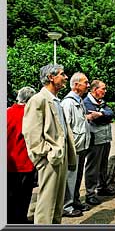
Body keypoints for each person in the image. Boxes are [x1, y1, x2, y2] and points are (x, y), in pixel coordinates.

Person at [22, 64, 77, 224]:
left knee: (57, 205)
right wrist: (46, 154)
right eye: (62, 74)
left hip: (59, 158)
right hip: (50, 159)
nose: (66, 77)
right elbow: (31, 134)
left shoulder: (55, 100)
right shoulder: (38, 100)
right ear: (51, 77)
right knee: (46, 206)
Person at [61, 73, 94, 217]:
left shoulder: (79, 101)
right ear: (76, 85)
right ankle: (67, 207)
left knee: (77, 176)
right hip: (73, 147)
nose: (88, 85)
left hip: (81, 146)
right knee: (70, 177)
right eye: (85, 83)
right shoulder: (68, 103)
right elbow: (65, 127)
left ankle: (74, 201)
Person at [7, 86, 36, 224]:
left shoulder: (7, 112)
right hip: (24, 162)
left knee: (9, 196)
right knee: (23, 196)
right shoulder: (30, 114)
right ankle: (21, 221)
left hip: (8, 161)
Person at [83, 80, 115, 206]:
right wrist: (103, 116)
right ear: (95, 90)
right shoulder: (87, 103)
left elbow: (111, 113)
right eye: (103, 88)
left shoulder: (102, 102)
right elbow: (95, 120)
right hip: (95, 139)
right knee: (92, 166)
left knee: (103, 165)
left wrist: (101, 114)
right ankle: (90, 194)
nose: (105, 91)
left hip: (105, 138)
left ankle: (102, 187)